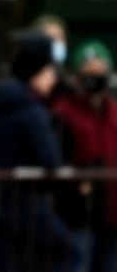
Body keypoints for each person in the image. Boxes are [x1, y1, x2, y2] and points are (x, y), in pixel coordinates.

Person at [0, 31, 77, 272]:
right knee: (68, 251)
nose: (53, 80)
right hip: (25, 201)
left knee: (9, 261)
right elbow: (51, 160)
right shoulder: (31, 110)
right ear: (35, 73)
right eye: (49, 73)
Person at [51, 40, 117, 272]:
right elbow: (56, 157)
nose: (95, 77)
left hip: (112, 213)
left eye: (100, 71)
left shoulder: (114, 112)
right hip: (79, 214)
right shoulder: (63, 111)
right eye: (89, 71)